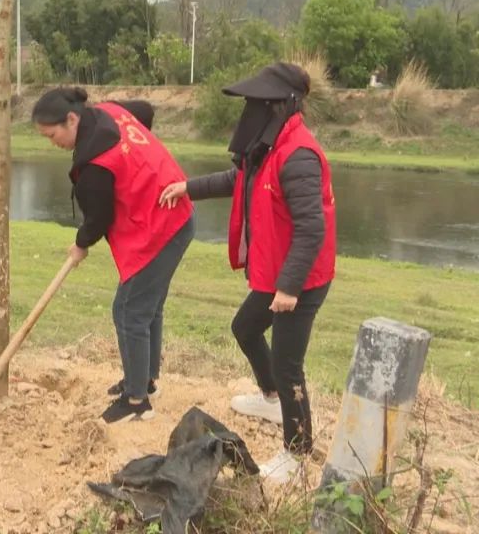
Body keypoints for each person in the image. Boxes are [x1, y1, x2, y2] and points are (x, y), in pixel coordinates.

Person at [159, 62, 336, 484]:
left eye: (259, 104)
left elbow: (313, 228)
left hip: (302, 279)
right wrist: (187, 187)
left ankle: (296, 453)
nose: (250, 112)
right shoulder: (269, 148)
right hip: (276, 274)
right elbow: (237, 179)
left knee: (289, 362)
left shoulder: (298, 154)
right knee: (244, 328)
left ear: (282, 106)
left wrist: (290, 287)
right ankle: (273, 399)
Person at [32, 87, 194, 425]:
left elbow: (99, 218)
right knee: (146, 308)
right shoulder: (109, 110)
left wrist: (80, 244)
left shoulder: (94, 163)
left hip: (161, 226)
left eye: (53, 134)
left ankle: (136, 401)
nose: (52, 142)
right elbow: (144, 111)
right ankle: (145, 381)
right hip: (174, 214)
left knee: (129, 309)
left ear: (72, 119)